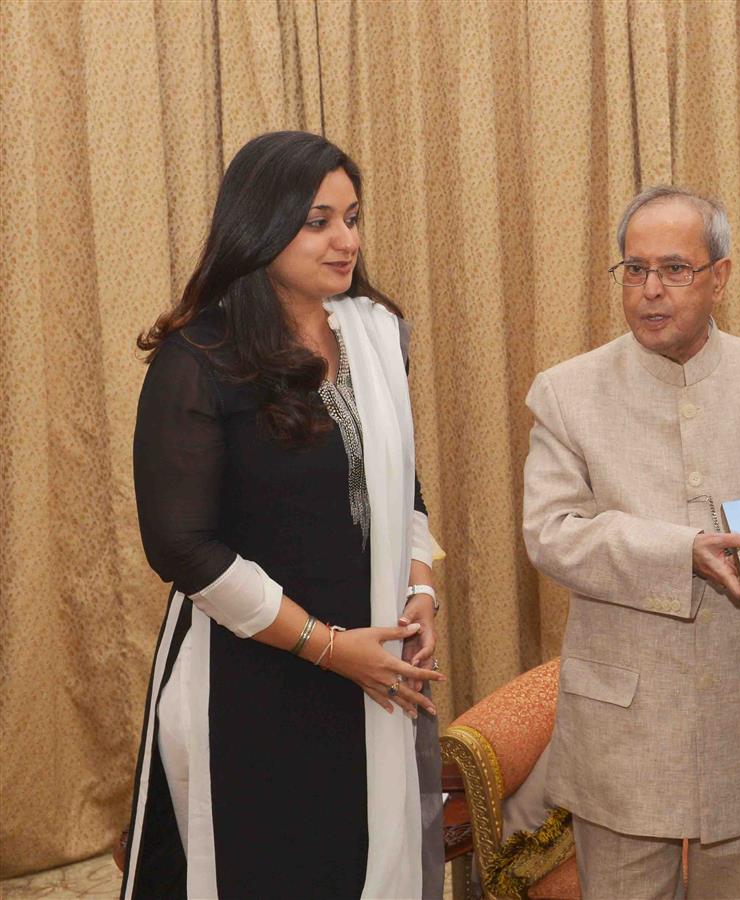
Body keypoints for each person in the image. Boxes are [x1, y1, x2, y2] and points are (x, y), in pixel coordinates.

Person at [122, 131, 447, 899]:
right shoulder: (199, 358)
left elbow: (400, 483)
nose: (346, 240)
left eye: (353, 217)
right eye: (318, 221)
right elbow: (181, 546)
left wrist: (422, 586)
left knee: (368, 860)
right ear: (260, 228)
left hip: (375, 661)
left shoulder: (373, 334)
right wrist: (329, 648)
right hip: (251, 670)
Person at [522, 186, 740, 898]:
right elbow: (551, 533)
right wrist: (680, 550)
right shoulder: (567, 394)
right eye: (633, 270)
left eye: (674, 270)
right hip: (625, 729)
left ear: (719, 276)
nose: (649, 291)